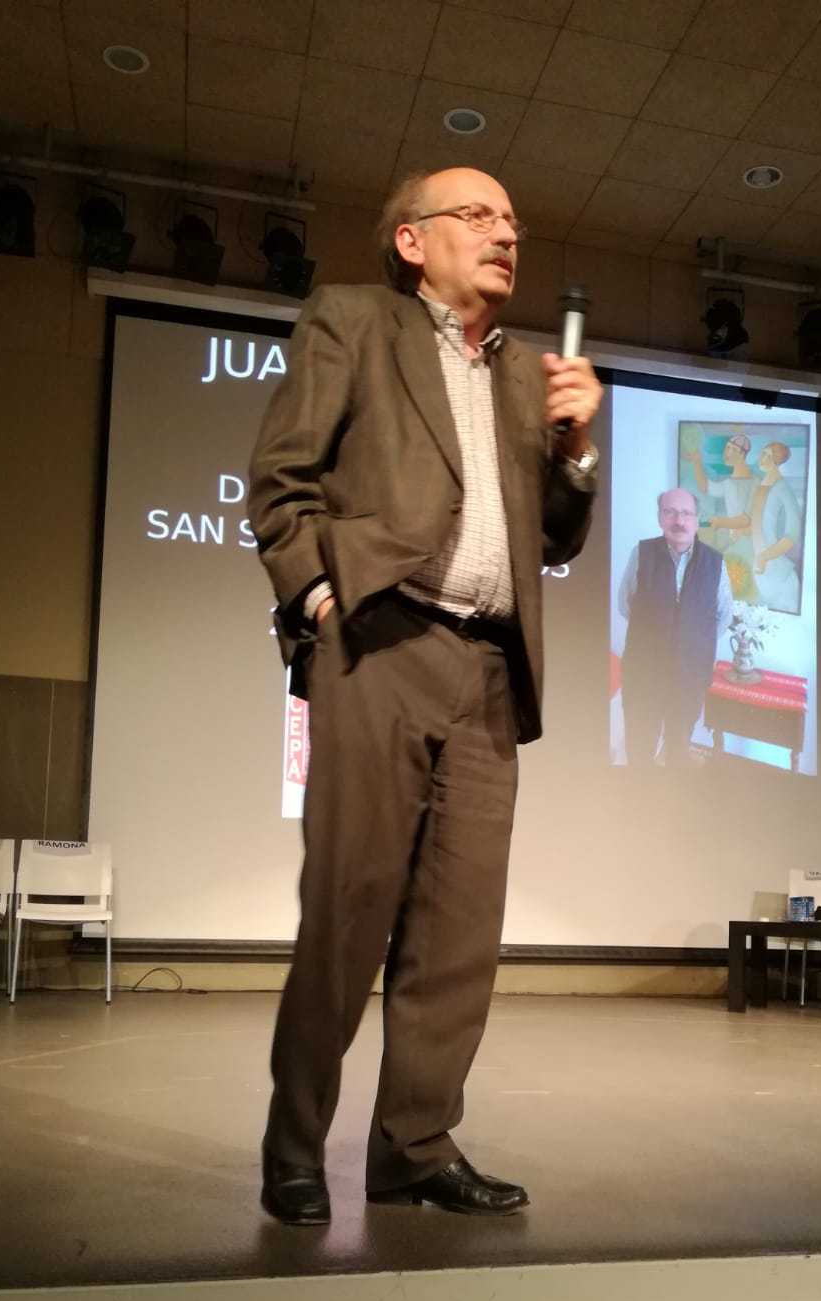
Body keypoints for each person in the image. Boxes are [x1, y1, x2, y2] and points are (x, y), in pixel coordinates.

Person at [248, 166, 602, 1223]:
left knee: (458, 935)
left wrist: (577, 453)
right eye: (478, 216)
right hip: (381, 642)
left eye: (513, 220)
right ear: (412, 240)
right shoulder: (355, 321)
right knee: (347, 911)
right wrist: (319, 599)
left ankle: (413, 1147)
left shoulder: (525, 376)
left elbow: (554, 539)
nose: (505, 234)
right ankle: (296, 1147)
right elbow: (281, 480)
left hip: (488, 669)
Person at [618, 488, 733, 765]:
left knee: (679, 748)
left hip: (689, 675)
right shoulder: (641, 553)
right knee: (639, 747)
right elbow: (626, 604)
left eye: (686, 513)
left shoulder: (715, 562)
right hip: (644, 671)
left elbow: (722, 616)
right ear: (660, 517)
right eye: (670, 512)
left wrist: (690, 639)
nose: (679, 521)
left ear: (696, 519)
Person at [685, 431, 759, 603]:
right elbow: (705, 487)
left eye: (732, 449)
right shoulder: (728, 482)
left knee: (741, 586)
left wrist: (720, 522)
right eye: (727, 448)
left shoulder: (754, 483)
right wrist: (697, 462)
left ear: (743, 454)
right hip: (734, 541)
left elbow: (746, 519)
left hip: (748, 543)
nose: (727, 453)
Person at [749, 441, 803, 614]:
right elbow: (758, 523)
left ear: (777, 460)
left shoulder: (783, 488)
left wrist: (765, 557)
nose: (762, 458)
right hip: (759, 571)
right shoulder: (762, 486)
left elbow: (793, 532)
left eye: (768, 455)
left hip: (780, 576)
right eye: (762, 453)